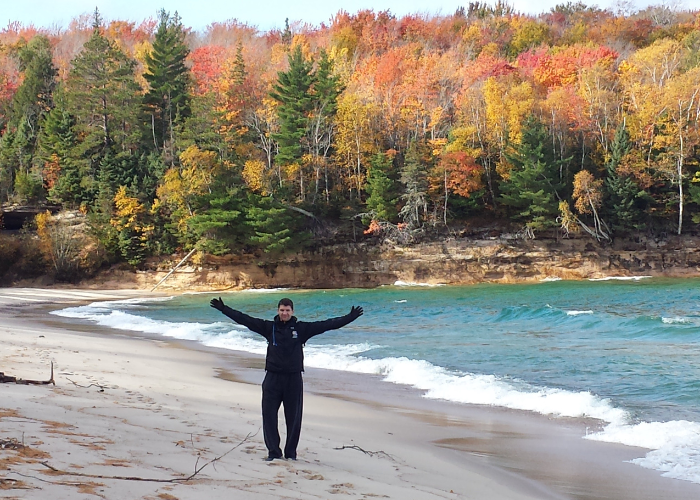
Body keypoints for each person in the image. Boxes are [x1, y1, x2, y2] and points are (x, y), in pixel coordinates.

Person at [210, 296, 363, 461]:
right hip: (272, 378)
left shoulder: (301, 329)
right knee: (269, 416)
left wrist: (350, 317)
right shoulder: (269, 328)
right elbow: (245, 320)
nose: (284, 313)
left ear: (292, 311)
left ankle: (291, 453)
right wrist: (223, 309)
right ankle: (273, 452)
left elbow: (327, 324)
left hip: (293, 379)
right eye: (282, 310)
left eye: (287, 310)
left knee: (294, 418)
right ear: (278, 311)